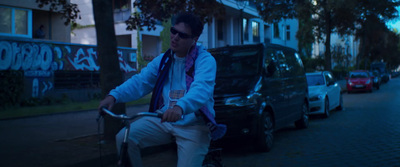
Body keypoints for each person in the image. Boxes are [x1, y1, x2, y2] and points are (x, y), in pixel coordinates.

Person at [98, 12, 225, 167]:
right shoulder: (163, 60)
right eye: (173, 31)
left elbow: (201, 88)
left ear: (195, 39)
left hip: (194, 125)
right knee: (125, 137)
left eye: (183, 35)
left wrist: (180, 107)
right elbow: (140, 82)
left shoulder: (205, 60)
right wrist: (114, 96)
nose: (175, 37)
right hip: (164, 120)